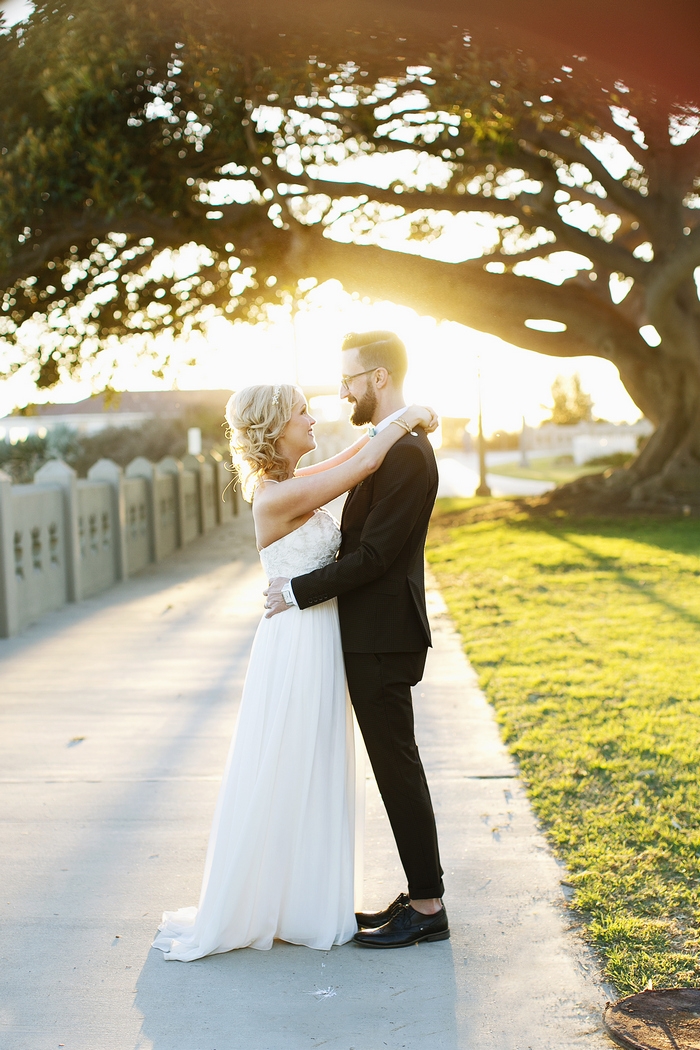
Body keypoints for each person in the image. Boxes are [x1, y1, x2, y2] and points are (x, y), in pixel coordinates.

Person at [152, 378, 436, 959]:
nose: (313, 419)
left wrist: (404, 420)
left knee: (315, 765)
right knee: (287, 762)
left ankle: (303, 897)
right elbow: (364, 464)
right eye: (302, 413)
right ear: (275, 429)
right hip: (297, 641)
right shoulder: (274, 496)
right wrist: (411, 415)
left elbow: (356, 455)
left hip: (318, 633)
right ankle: (269, 900)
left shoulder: (289, 481)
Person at [264, 330, 449, 949]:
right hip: (372, 633)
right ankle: (420, 892)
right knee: (394, 764)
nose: (340, 390)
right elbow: (356, 471)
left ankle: (427, 906)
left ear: (377, 378)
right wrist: (408, 416)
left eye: (348, 378)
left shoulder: (407, 455)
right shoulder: (388, 445)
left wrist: (296, 590)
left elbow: (372, 555)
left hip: (383, 637)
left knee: (397, 766)